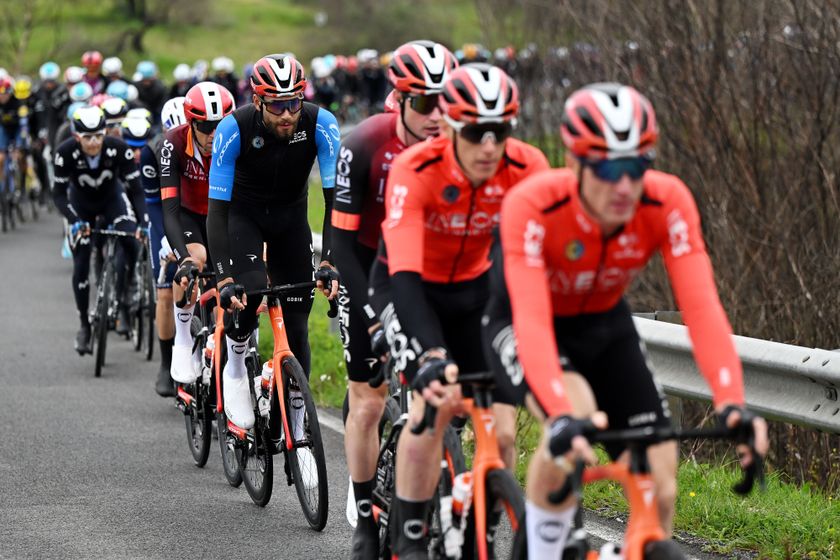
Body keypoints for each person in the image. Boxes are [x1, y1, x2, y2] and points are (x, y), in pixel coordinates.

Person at [482, 82, 770, 557]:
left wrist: (732, 403)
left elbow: (702, 309)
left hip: (604, 325)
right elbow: (531, 318)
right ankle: (543, 548)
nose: (624, 186)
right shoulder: (533, 205)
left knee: (661, 483)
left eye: (636, 166)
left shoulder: (667, 200)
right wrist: (558, 417)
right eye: (608, 167)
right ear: (573, 162)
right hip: (526, 322)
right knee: (571, 418)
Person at [374, 63, 550, 559]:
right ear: (449, 126)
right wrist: (429, 353)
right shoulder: (416, 170)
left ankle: (483, 529)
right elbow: (404, 275)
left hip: (476, 294)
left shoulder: (528, 166)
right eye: (475, 132)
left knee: (506, 435)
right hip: (407, 288)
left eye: (500, 131)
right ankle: (409, 534)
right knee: (433, 408)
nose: (489, 146)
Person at [330, 39, 458, 558]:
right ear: (399, 99)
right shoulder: (364, 144)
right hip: (365, 269)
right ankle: (364, 516)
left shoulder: (459, 146)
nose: (437, 116)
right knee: (368, 402)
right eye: (425, 103)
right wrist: (369, 312)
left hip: (426, 273)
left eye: (447, 103)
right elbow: (340, 240)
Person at [207, 54, 340, 441]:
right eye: (277, 105)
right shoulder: (233, 129)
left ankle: (297, 432)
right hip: (242, 219)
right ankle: (234, 367)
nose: (287, 114)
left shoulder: (322, 124)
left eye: (294, 102)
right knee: (246, 304)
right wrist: (225, 275)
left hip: (291, 220)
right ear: (258, 101)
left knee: (298, 327)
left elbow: (335, 202)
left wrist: (329, 260)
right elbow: (217, 212)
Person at [52, 107, 148, 353]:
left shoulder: (118, 148)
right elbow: (59, 195)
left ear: (105, 133)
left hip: (112, 201)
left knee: (131, 239)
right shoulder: (65, 153)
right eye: (87, 137)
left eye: (98, 136)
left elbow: (135, 190)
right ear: (77, 137)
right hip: (80, 206)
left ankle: (127, 297)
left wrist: (142, 223)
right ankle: (84, 325)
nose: (94, 143)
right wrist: (74, 221)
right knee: (81, 262)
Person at [160, 82, 235, 386]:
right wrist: (183, 260)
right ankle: (181, 336)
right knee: (198, 259)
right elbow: (169, 209)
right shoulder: (172, 144)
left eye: (220, 125)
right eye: (205, 126)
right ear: (191, 122)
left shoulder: (237, 141)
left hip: (226, 214)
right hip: (189, 215)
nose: (214, 134)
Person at [144, 96, 188, 396]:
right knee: (165, 293)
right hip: (164, 216)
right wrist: (166, 240)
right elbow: (153, 204)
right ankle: (165, 362)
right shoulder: (152, 152)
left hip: (197, 214)